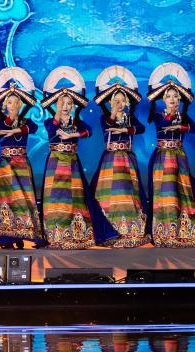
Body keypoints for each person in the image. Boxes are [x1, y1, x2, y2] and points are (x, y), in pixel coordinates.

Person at [39, 66, 117, 249]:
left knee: (75, 198)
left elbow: (88, 131)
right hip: (56, 162)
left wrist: (72, 135)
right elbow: (52, 129)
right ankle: (54, 235)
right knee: (55, 198)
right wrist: (58, 117)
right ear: (56, 105)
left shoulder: (77, 123)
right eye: (62, 103)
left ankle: (75, 233)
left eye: (69, 104)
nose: (66, 107)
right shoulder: (50, 121)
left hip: (72, 162)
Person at [0, 67, 44, 248]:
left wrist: (17, 127)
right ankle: (5, 238)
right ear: (4, 105)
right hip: (6, 164)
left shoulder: (26, 122)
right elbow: (0, 130)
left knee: (23, 199)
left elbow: (33, 128)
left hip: (22, 163)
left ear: (20, 104)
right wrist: (13, 123)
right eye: (10, 102)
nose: (13, 105)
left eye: (16, 102)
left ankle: (20, 234)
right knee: (5, 200)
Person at [146, 62, 195, 247]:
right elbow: (162, 124)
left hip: (179, 156)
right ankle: (163, 234)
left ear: (179, 99)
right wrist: (173, 118)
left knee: (181, 192)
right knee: (165, 194)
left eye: (175, 96)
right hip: (163, 157)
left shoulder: (183, 116)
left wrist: (181, 126)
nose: (172, 99)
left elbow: (194, 129)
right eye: (168, 96)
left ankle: (183, 232)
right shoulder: (158, 115)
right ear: (163, 99)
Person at [91, 66, 148, 247]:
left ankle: (130, 228)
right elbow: (107, 124)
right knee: (110, 192)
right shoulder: (105, 118)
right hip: (111, 158)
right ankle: (110, 228)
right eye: (116, 101)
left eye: (122, 101)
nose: (119, 104)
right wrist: (114, 113)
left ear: (127, 102)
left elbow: (141, 128)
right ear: (110, 103)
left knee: (128, 191)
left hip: (127, 158)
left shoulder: (130, 118)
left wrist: (125, 129)